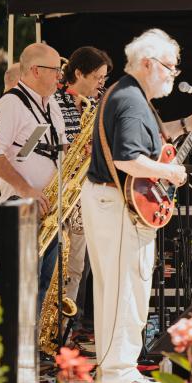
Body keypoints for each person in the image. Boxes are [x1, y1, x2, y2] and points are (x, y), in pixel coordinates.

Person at [82, 28, 192, 383]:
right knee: (126, 290)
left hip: (113, 202)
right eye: (170, 67)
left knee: (123, 288)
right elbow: (128, 159)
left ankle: (117, 369)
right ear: (147, 63)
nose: (174, 74)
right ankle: (120, 373)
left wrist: (190, 124)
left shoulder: (129, 95)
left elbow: (149, 141)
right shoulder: (130, 100)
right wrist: (170, 172)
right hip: (117, 203)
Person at [0, 42, 67, 309]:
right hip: (22, 207)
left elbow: (57, 146)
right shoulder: (9, 104)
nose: (60, 76)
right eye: (55, 70)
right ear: (35, 70)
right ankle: (16, 348)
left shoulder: (50, 103)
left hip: (50, 207)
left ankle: (35, 347)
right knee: (24, 284)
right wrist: (27, 190)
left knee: (43, 284)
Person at [52, 46, 111, 332]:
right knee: (53, 269)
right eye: (98, 77)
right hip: (56, 194)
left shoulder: (98, 104)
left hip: (85, 196)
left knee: (77, 269)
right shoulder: (53, 101)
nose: (102, 83)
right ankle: (43, 330)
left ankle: (64, 331)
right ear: (78, 73)